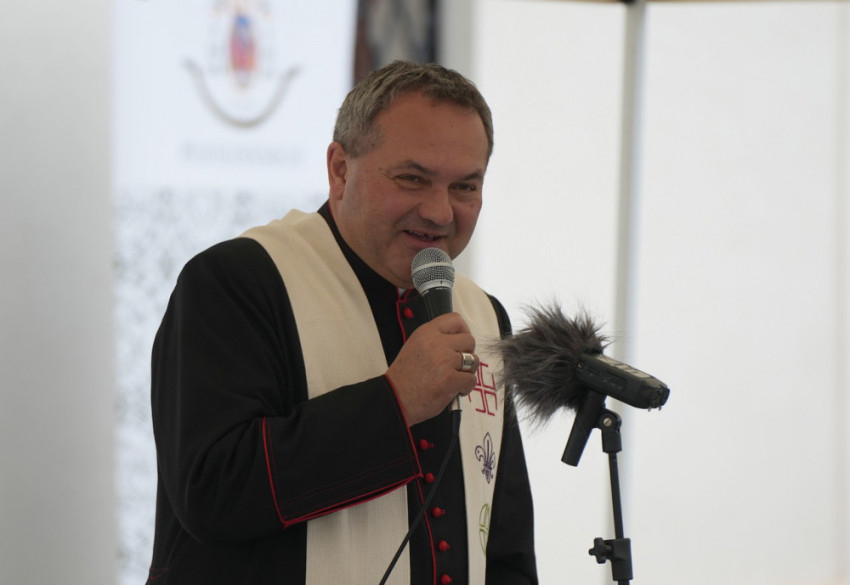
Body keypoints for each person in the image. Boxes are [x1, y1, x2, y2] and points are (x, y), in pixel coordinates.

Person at [147, 60, 537, 585]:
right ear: (340, 170)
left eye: (465, 187)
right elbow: (211, 492)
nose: (441, 212)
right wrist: (396, 403)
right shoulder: (238, 282)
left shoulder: (484, 314)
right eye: (412, 179)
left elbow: (504, 547)